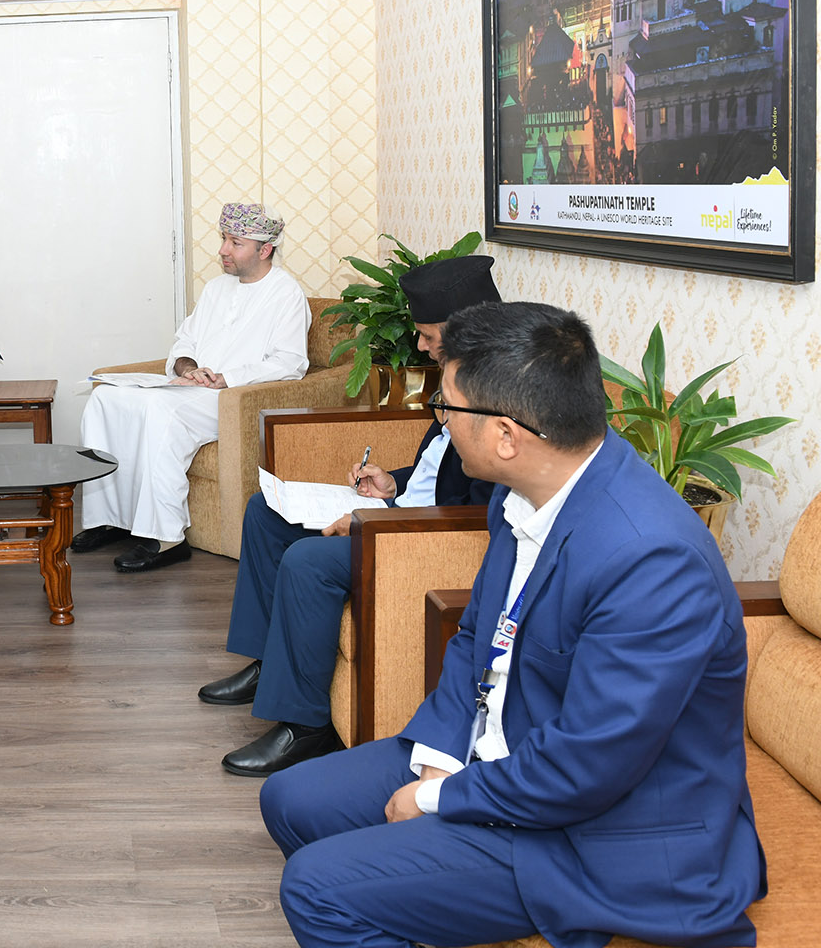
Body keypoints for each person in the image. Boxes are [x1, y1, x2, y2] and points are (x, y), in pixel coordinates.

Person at [260, 302, 764, 948]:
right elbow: (476, 637)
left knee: (314, 887)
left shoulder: (651, 560)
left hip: (597, 836)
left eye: (447, 406)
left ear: (505, 434)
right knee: (290, 801)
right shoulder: (521, 490)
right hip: (500, 755)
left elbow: (588, 766)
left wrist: (441, 800)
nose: (440, 420)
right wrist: (440, 760)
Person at [201, 254, 502, 777]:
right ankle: (269, 661)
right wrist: (393, 483)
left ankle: (306, 727)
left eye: (428, 336)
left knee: (309, 562)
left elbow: (478, 509)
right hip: (403, 511)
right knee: (264, 511)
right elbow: (438, 466)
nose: (421, 347)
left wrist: (372, 522)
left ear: (464, 332)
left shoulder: (498, 394)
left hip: (426, 537)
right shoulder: (459, 372)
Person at [71, 202, 309, 572]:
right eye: (224, 239)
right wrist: (189, 367)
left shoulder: (286, 294)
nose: (223, 250)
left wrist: (226, 378)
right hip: (191, 387)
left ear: (264, 250)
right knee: (105, 399)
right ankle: (111, 520)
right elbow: (185, 341)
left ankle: (168, 538)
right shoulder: (216, 288)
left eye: (235, 243)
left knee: (160, 413)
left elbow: (290, 363)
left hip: (232, 398)